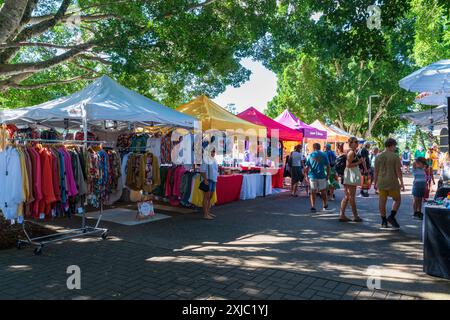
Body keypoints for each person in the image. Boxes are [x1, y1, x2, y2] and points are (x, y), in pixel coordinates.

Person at [374, 138, 405, 230]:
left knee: (382, 201)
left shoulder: (378, 156)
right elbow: (398, 171)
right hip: (392, 182)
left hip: (381, 181)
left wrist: (374, 183)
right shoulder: (395, 156)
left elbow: (376, 171)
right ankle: (391, 216)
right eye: (394, 146)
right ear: (391, 146)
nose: (395, 148)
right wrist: (402, 182)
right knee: (397, 200)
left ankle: (383, 221)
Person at [339, 137, 364, 222]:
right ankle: (355, 216)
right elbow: (348, 165)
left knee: (348, 196)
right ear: (351, 143)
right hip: (350, 176)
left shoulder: (352, 152)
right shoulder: (351, 152)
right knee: (351, 197)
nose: (357, 143)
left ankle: (342, 215)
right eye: (355, 142)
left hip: (350, 175)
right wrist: (359, 162)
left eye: (357, 142)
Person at [305, 143, 333, 212]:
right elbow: (328, 166)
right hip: (322, 175)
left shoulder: (310, 155)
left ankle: (313, 206)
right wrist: (328, 175)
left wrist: (306, 176)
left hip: (312, 176)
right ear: (320, 147)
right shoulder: (324, 154)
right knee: (323, 191)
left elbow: (307, 167)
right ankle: (324, 205)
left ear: (313, 148)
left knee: (313, 191)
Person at [200, 148, 218, 220]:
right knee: (206, 197)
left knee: (210, 197)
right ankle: (205, 214)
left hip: (213, 180)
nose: (213, 153)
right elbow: (201, 171)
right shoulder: (205, 160)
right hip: (208, 180)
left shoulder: (214, 160)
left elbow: (215, 170)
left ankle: (208, 212)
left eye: (214, 151)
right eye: (212, 151)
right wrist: (205, 179)